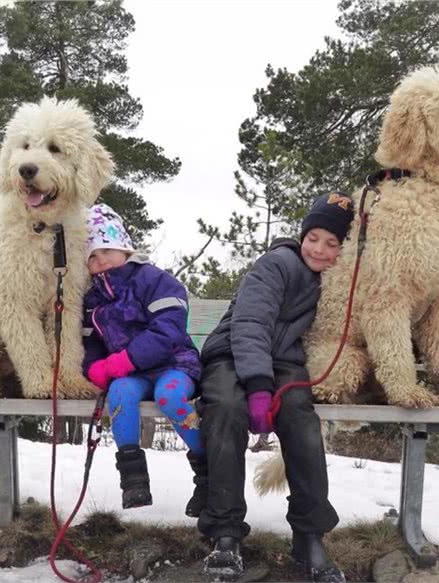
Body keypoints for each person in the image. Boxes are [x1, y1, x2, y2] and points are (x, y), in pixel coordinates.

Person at [196, 192, 353, 583]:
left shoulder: (338, 283)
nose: (319, 249)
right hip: (233, 354)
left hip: (285, 363)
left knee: (300, 416)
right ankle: (225, 532)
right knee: (227, 409)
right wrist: (259, 385)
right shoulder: (277, 263)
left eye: (333, 243)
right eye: (314, 237)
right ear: (302, 235)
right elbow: (250, 323)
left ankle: (309, 534)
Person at [82, 204, 207, 515]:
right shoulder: (92, 298)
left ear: (124, 246)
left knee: (170, 397)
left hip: (174, 364)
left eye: (106, 250)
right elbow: (91, 341)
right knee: (119, 395)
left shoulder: (154, 280)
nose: (100, 261)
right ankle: (133, 479)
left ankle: (209, 476)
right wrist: (93, 366)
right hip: (131, 375)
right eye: (91, 257)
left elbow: (168, 330)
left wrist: (123, 361)